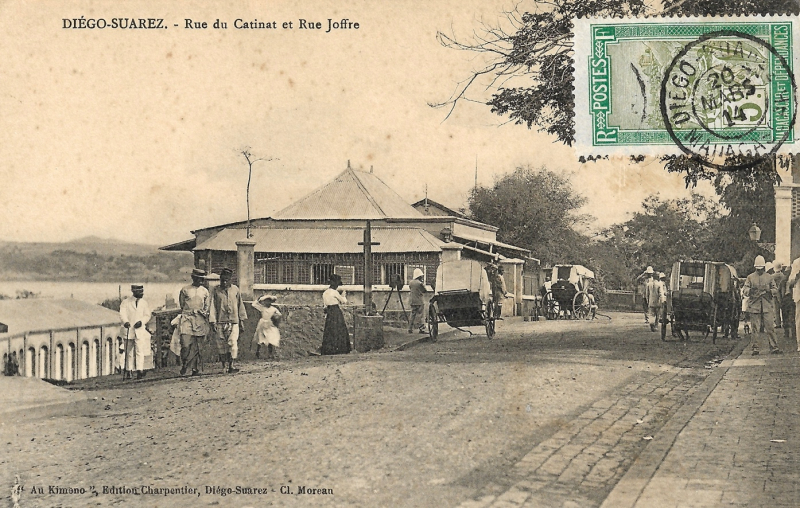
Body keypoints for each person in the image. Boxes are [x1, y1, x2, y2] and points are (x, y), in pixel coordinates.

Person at [209, 268, 247, 374]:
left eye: (227, 280)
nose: (224, 282)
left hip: (234, 321)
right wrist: (213, 322)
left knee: (232, 343)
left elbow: (240, 305)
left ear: (230, 280)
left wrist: (242, 321)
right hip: (220, 321)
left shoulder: (235, 290)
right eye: (222, 280)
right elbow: (212, 306)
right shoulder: (216, 290)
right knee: (221, 344)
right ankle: (223, 365)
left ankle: (231, 365)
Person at [744, 255, 781, 355]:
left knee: (770, 327)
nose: (759, 271)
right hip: (755, 306)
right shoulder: (750, 277)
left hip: (767, 306)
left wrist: (769, 291)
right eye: (758, 269)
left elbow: (775, 289)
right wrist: (750, 291)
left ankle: (774, 347)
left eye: (761, 269)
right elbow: (745, 290)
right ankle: (755, 348)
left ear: (764, 267)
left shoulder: (769, 277)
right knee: (755, 329)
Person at [177, 268, 210, 376]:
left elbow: (207, 306)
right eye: (197, 278)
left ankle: (195, 368)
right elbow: (182, 304)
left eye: (201, 279)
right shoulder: (185, 289)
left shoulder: (205, 291)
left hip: (200, 319)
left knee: (197, 345)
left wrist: (203, 314)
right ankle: (185, 364)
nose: (200, 281)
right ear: (193, 278)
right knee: (185, 344)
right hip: (187, 318)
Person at [119, 284, 152, 380]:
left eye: (142, 291)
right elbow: (122, 314)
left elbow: (147, 315)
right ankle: (128, 370)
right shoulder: (126, 302)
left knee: (139, 350)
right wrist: (126, 322)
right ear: (134, 291)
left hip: (139, 330)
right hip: (128, 330)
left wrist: (141, 322)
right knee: (128, 351)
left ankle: (139, 370)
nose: (142, 293)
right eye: (140, 291)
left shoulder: (144, 303)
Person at [321, 273, 350, 355]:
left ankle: (329, 349)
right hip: (336, 311)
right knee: (339, 329)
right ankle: (340, 349)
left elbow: (325, 306)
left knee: (330, 330)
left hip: (329, 312)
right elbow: (344, 301)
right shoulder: (334, 292)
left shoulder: (325, 293)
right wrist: (344, 295)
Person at [252, 294, 281, 360]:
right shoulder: (262, 308)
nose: (267, 302)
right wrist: (258, 298)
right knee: (260, 339)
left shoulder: (273, 309)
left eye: (269, 301)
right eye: (266, 301)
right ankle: (258, 353)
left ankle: (270, 354)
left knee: (271, 339)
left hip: (270, 324)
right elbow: (254, 305)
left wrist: (276, 318)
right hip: (262, 324)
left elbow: (279, 315)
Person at [407, 268, 427, 334]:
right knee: (421, 315)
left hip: (412, 301)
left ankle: (410, 328)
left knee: (412, 315)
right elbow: (424, 290)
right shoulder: (419, 283)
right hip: (419, 301)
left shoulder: (410, 282)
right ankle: (421, 328)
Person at [788, 257, 800, 351]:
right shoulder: (797, 262)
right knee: (799, 320)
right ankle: (799, 344)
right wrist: (797, 276)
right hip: (799, 296)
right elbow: (790, 282)